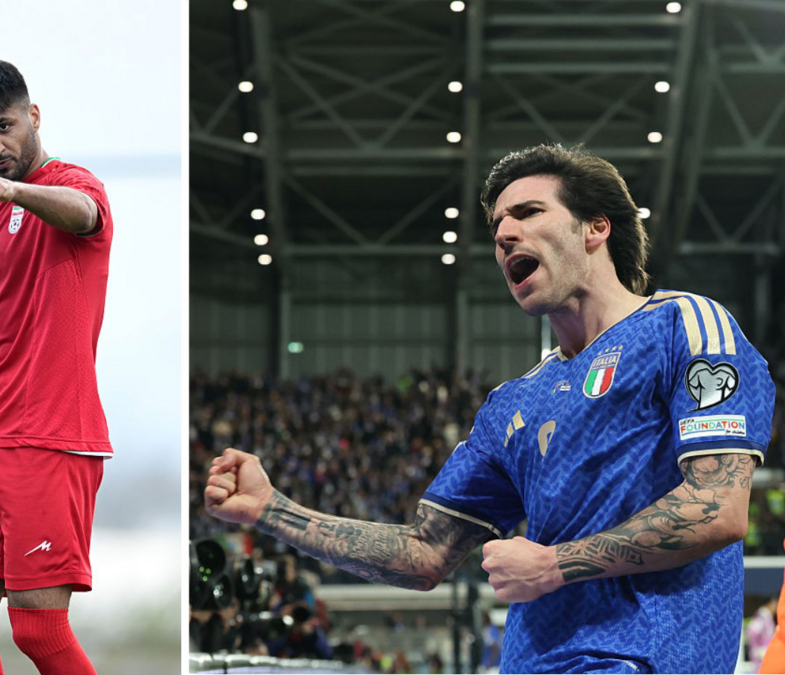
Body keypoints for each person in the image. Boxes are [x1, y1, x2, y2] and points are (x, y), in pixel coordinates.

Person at [205, 144, 772, 672]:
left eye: (528, 212)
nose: (503, 234)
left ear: (596, 227)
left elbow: (718, 507)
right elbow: (424, 553)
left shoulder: (683, 326)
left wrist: (553, 566)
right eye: (497, 225)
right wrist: (270, 510)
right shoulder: (513, 404)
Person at [0, 58, 114, 675]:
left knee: (38, 629)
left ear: (33, 115)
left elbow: (83, 212)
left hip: (46, 438)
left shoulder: (71, 186)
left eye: (4, 127)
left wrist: (15, 192)